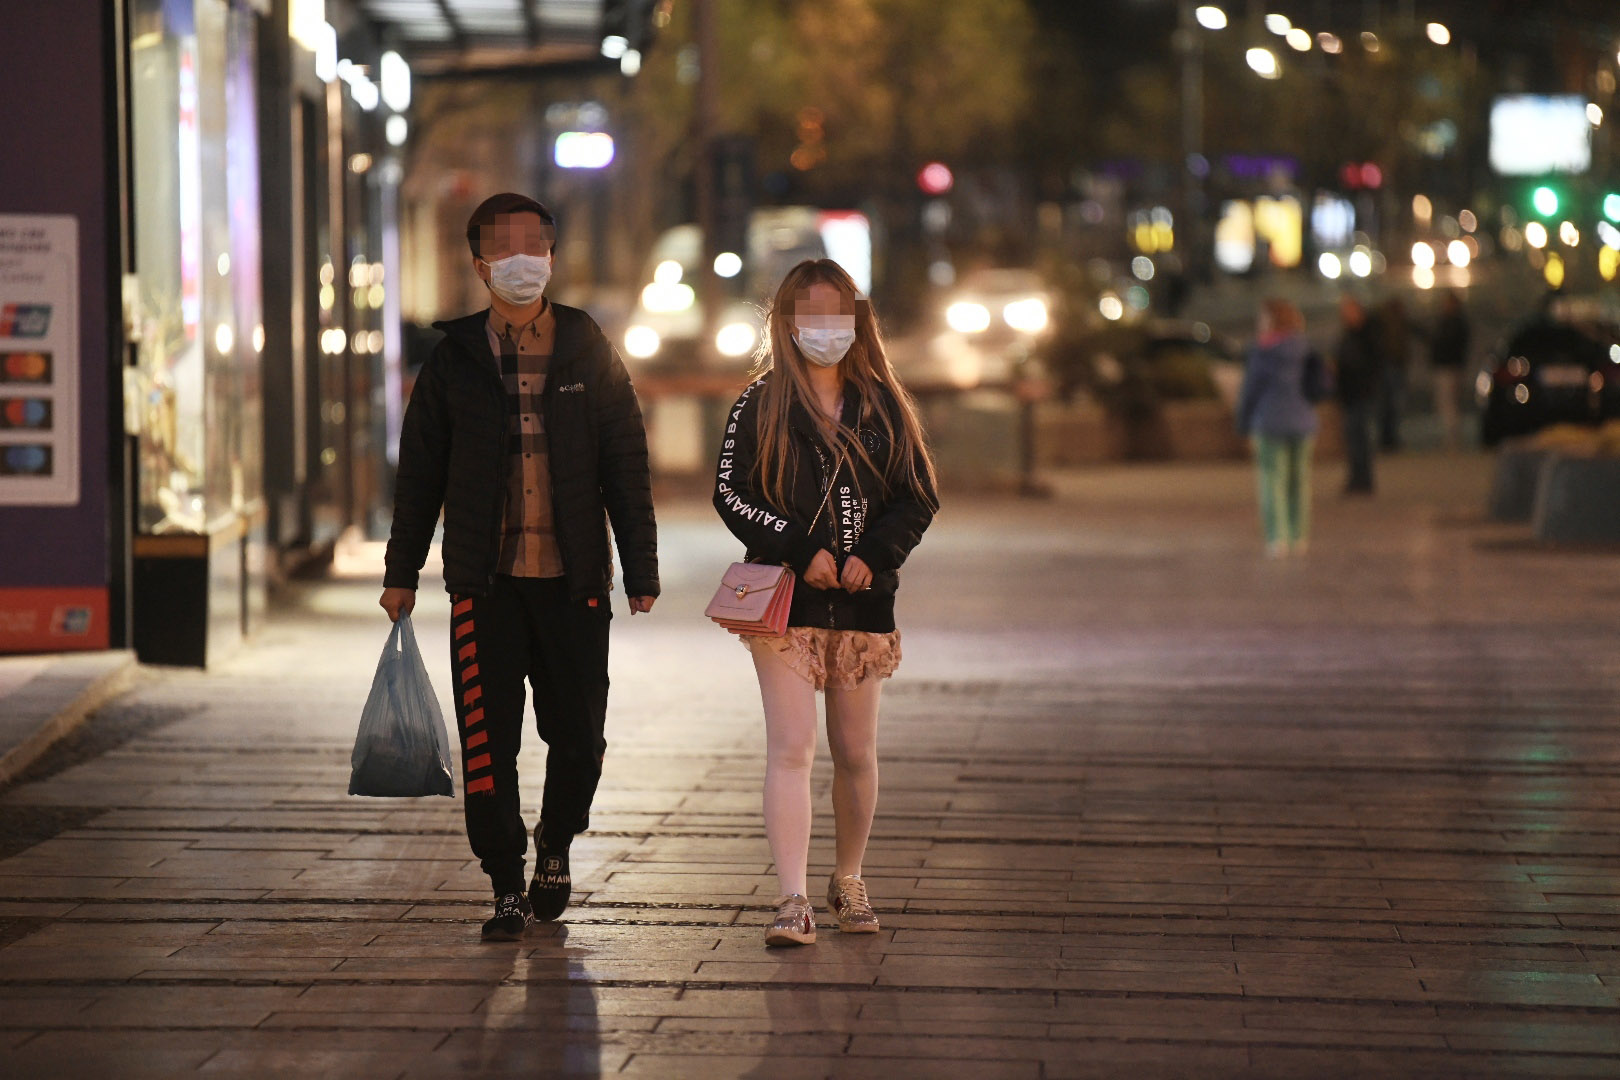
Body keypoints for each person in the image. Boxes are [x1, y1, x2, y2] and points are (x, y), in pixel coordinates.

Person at [379, 193, 659, 941]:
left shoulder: (585, 346)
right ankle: (505, 880)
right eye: (506, 252)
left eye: (535, 247)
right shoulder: (453, 360)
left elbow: (624, 462)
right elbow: (420, 476)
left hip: (573, 583)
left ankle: (556, 842)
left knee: (580, 734)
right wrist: (401, 571)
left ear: (553, 257)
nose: (523, 263)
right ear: (480, 265)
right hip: (485, 583)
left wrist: (640, 567)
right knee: (487, 738)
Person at [713, 259, 937, 947]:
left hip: (865, 608)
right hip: (783, 604)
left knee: (856, 752)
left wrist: (872, 557)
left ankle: (849, 878)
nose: (825, 329)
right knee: (792, 746)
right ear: (784, 322)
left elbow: (917, 495)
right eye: (809, 314)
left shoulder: (882, 403)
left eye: (838, 313)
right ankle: (791, 900)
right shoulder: (760, 402)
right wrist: (799, 547)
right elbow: (732, 493)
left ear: (858, 319)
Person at [1236, 298, 1319, 557]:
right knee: (1300, 481)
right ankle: (1299, 536)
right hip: (1303, 420)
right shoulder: (1304, 347)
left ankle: (1277, 538)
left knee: (1273, 481)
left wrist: (1243, 423)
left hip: (1269, 420)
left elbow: (1251, 390)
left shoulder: (1263, 350)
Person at [1334, 295, 1381, 494]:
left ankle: (1362, 479)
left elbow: (1369, 363)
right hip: (1350, 393)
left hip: (1360, 393)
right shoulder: (1350, 334)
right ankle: (1357, 478)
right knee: (1354, 438)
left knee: (1359, 438)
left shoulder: (1366, 334)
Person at [1430, 291, 1470, 450]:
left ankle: (1452, 437)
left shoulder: (1455, 323)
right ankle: (1451, 436)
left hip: (1450, 366)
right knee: (1447, 403)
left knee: (1449, 403)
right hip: (1448, 365)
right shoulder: (1450, 322)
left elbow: (1448, 344)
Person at [1374, 296, 1413, 451]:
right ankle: (1387, 439)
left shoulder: (1396, 323)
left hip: (1394, 367)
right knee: (1388, 406)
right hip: (1388, 367)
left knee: (1391, 405)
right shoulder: (1384, 324)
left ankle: (1389, 439)